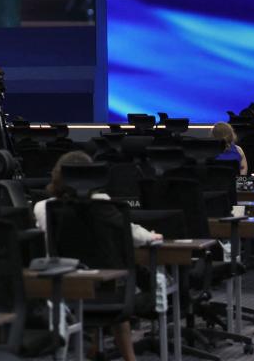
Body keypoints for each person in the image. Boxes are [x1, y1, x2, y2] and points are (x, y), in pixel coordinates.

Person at [33, 151, 160, 361]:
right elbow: (129, 233)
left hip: (65, 293)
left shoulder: (43, 208)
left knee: (92, 276)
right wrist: (151, 237)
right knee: (111, 278)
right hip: (111, 294)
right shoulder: (102, 203)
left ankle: (93, 349)